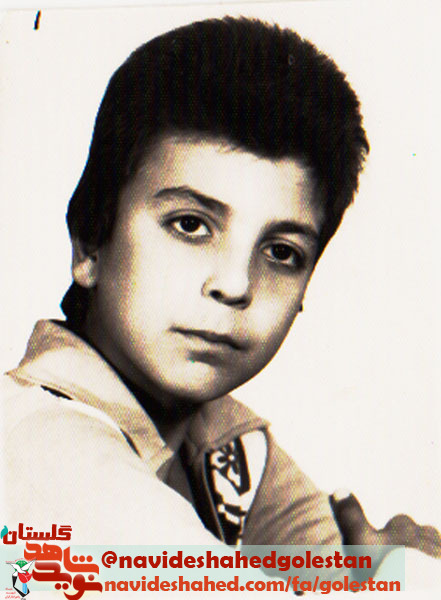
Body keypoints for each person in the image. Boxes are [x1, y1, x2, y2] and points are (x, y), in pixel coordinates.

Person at [2, 15, 439, 567]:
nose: (235, 284)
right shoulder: (43, 449)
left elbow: (338, 568)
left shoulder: (224, 446)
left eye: (281, 252)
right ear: (90, 242)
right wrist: (414, 571)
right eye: (190, 225)